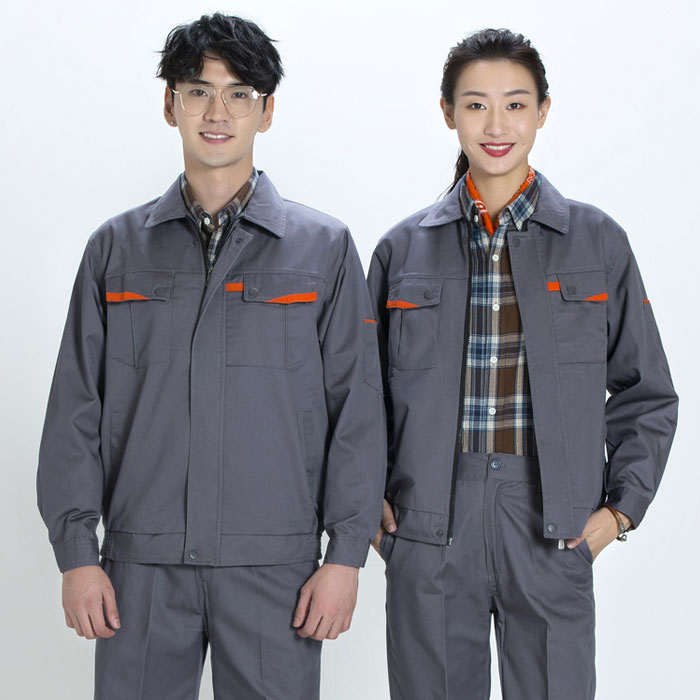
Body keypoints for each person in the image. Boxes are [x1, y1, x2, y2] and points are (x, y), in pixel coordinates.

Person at [37, 13, 385, 700]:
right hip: (140, 567)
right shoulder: (115, 250)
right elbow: (76, 409)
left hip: (275, 569)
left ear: (267, 111)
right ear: (170, 105)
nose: (217, 112)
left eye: (239, 94)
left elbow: (357, 412)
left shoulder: (323, 250)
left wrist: (345, 556)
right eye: (197, 91)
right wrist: (77, 554)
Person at [367, 28, 678, 700]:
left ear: (542, 111)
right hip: (429, 521)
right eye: (476, 105)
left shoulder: (597, 242)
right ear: (448, 113)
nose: (496, 125)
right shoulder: (401, 250)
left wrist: (619, 513)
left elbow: (646, 391)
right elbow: (360, 399)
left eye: (515, 104)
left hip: (550, 522)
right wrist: (368, 504)